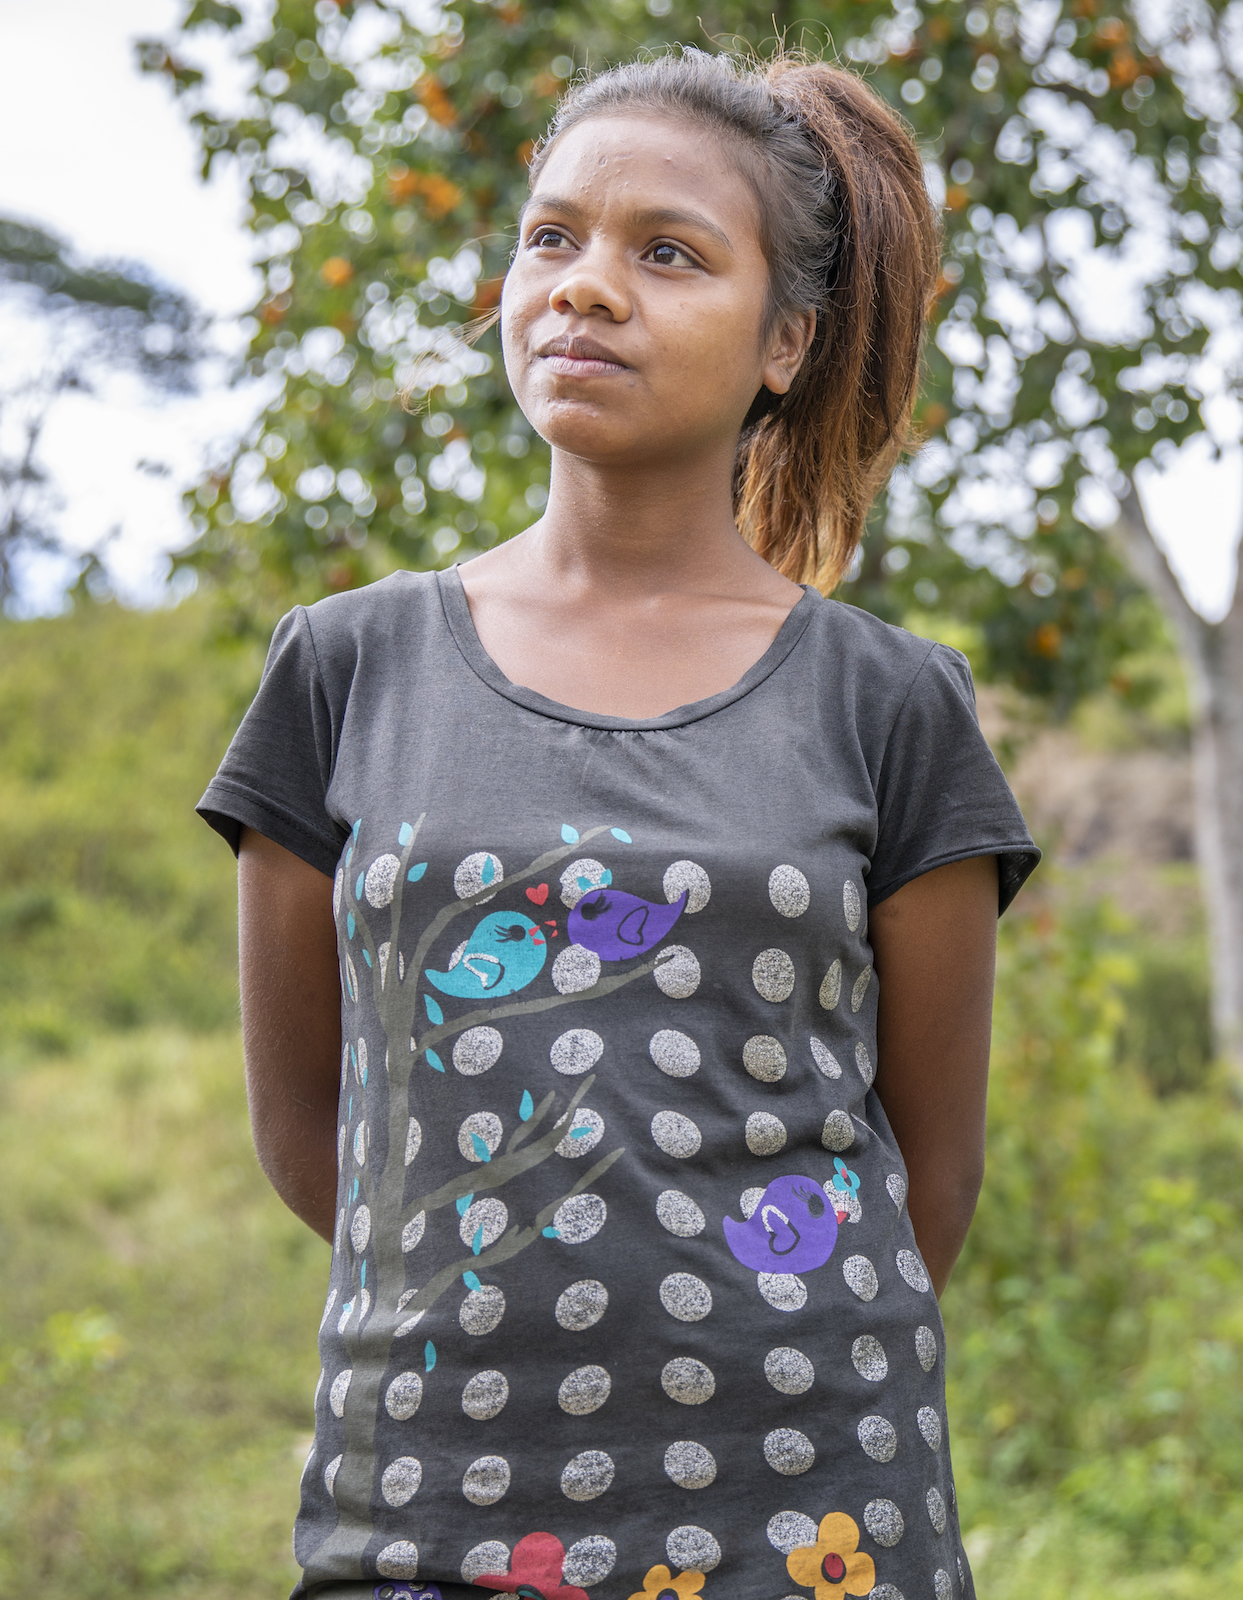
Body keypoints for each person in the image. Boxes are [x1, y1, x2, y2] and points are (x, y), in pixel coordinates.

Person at [197, 49, 1036, 1600]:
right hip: (426, 1511)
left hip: (816, 1519)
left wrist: (748, 1338)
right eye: (551, 238)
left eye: (668, 253)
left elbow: (934, 1174)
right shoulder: (344, 668)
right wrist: (517, 1290)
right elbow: (317, 1134)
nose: (586, 288)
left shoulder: (891, 705)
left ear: (786, 342)